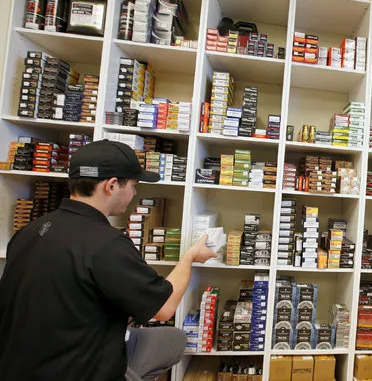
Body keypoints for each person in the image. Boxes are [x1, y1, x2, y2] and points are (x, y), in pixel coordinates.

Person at [0, 139, 217, 381]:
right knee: (174, 340)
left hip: (17, 367)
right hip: (75, 371)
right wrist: (189, 257)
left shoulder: (29, 232)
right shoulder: (107, 243)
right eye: (134, 185)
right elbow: (164, 308)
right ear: (112, 185)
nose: (134, 193)